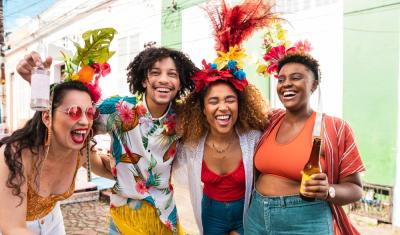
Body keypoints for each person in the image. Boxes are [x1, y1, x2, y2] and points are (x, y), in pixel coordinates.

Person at [174, 1, 276, 234]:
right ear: (202, 109)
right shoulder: (191, 144)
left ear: (241, 104)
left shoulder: (254, 138)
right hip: (210, 213)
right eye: (213, 101)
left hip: (247, 213)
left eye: (230, 99)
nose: (223, 107)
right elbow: (158, 161)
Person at [244, 46, 365, 234]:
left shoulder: (334, 128)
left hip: (305, 223)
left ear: (314, 85)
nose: (286, 84)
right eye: (281, 79)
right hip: (256, 218)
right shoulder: (269, 121)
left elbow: (356, 189)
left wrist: (328, 190)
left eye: (296, 78)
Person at [0, 81, 113, 235]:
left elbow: (108, 170)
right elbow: (13, 228)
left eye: (89, 113)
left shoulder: (80, 151)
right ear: (47, 117)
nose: (85, 122)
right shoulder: (15, 156)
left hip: (53, 221)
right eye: (74, 112)